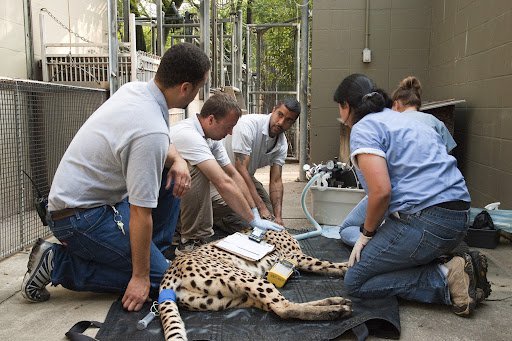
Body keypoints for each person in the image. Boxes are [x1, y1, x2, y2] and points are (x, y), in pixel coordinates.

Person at [21, 43, 211, 312]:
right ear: (185, 88)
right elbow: (140, 212)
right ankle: (58, 264)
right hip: (79, 219)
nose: (197, 93)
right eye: (200, 86)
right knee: (167, 281)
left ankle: (152, 252)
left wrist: (179, 160)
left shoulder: (137, 90)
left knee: (170, 172)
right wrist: (140, 276)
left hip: (87, 203)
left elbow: (162, 141)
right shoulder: (150, 130)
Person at [334, 73, 489, 316]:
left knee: (355, 281)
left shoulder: (363, 127)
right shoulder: (404, 120)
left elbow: (381, 192)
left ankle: (446, 279)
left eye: (340, 109)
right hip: (459, 218)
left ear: (346, 105)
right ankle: (450, 265)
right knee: (377, 254)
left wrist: (367, 235)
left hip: (427, 221)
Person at [339, 76, 456, 246]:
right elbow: (448, 156)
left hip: (410, 200)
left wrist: (367, 234)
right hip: (449, 200)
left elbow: (382, 190)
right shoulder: (432, 123)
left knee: (356, 269)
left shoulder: (381, 124)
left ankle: (379, 246)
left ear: (396, 104)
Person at [169, 93, 284, 254]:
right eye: (228, 127)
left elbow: (232, 174)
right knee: (199, 172)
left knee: (236, 198)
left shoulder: (212, 137)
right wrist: (252, 220)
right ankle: (191, 241)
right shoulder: (189, 135)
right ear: (211, 119)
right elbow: (223, 182)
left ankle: (179, 226)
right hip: (158, 197)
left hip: (176, 194)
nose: (230, 133)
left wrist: (254, 211)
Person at [212, 98, 300, 233]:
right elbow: (240, 170)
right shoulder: (248, 125)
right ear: (273, 111)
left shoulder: (282, 144)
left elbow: (276, 181)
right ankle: (218, 219)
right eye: (280, 115)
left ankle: (242, 217)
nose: (281, 122)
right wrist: (260, 207)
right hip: (219, 174)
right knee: (249, 219)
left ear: (292, 123)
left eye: (288, 120)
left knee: (270, 220)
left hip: (245, 176)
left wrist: (278, 217)